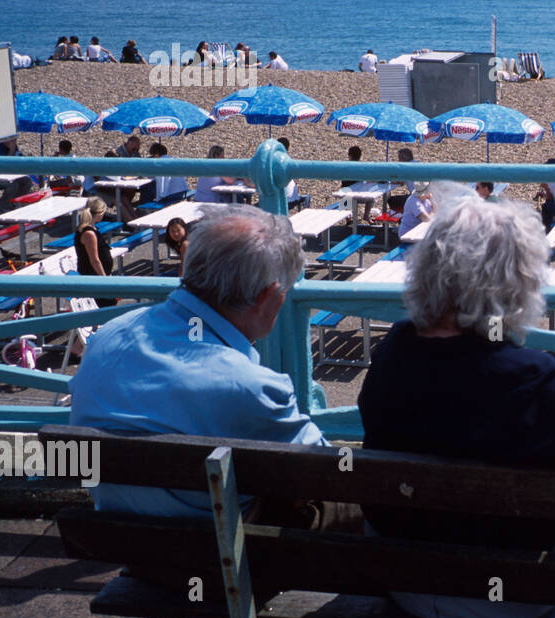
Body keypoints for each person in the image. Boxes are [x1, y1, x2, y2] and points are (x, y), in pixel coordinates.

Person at [357, 195, 555, 618]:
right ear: (517, 285)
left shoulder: (390, 355)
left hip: (408, 580)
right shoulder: (534, 381)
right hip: (509, 602)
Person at [68, 209, 357, 534]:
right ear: (268, 297)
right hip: (215, 555)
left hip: (119, 540)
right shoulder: (250, 387)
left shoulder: (107, 336)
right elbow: (329, 470)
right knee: (355, 505)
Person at [73, 198, 116, 307]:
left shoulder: (92, 228)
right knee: (106, 308)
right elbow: (94, 260)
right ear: (98, 213)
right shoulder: (89, 233)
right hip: (95, 277)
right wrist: (105, 280)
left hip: (99, 275)